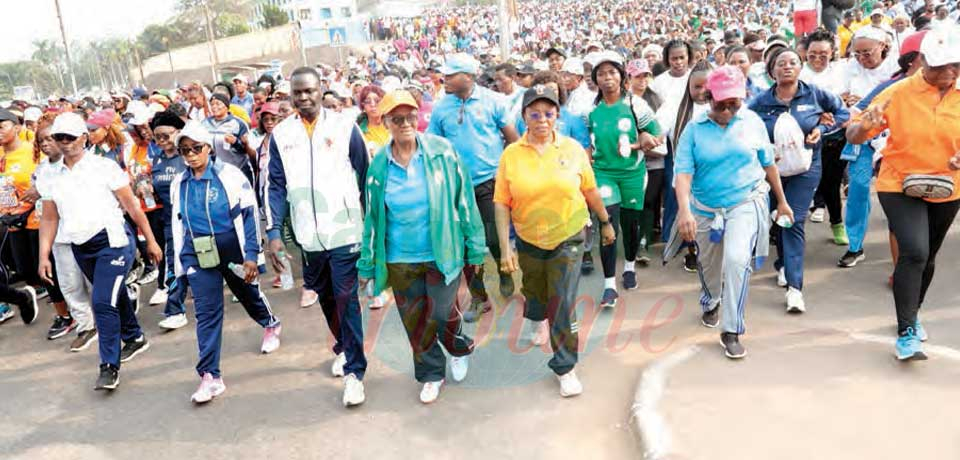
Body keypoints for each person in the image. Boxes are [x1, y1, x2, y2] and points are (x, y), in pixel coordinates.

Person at [357, 90, 484, 404]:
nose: (405, 124)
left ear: (419, 117)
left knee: (440, 314)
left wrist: (476, 245)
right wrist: (367, 262)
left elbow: (464, 199)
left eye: (410, 116)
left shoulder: (443, 152)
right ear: (385, 122)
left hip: (442, 253)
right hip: (400, 258)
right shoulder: (378, 168)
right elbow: (372, 220)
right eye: (396, 119)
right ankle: (430, 373)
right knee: (414, 320)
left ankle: (457, 349)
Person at [845, 27, 960, 361]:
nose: (950, 72)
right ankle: (907, 331)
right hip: (899, 182)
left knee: (929, 256)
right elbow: (853, 135)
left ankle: (914, 311)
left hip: (948, 186)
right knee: (914, 250)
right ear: (922, 61)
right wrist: (867, 125)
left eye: (956, 64)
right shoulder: (897, 92)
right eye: (941, 65)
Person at [495, 84, 615, 396]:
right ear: (524, 117)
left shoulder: (572, 149)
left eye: (548, 113)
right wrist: (505, 247)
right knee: (535, 290)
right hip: (528, 237)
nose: (542, 119)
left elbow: (589, 190)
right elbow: (501, 202)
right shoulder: (511, 155)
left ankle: (565, 366)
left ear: (557, 115)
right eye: (534, 113)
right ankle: (536, 319)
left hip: (569, 235)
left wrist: (605, 221)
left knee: (561, 300)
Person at [668, 65, 794, 359]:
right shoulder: (694, 130)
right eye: (720, 102)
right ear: (708, 97)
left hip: (745, 202)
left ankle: (731, 328)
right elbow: (683, 173)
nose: (727, 109)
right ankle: (711, 299)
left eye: (733, 103)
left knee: (737, 260)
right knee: (709, 264)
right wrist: (684, 212)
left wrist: (782, 200)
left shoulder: (752, 122)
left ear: (743, 97)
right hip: (704, 207)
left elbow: (768, 164)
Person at [265, 66, 369, 407]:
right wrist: (274, 231)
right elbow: (276, 185)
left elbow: (364, 172)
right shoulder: (282, 134)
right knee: (324, 295)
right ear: (290, 95)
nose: (304, 97)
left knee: (346, 297)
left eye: (309, 91)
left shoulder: (343, 125)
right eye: (297, 93)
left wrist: (370, 227)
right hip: (308, 236)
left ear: (321, 88)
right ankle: (342, 345)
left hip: (345, 229)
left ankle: (355, 373)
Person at [38, 112, 163, 391]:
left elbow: (132, 206)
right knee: (113, 295)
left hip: (114, 241)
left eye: (71, 137)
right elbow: (49, 218)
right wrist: (43, 255)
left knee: (102, 302)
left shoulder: (103, 167)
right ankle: (134, 336)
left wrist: (151, 241)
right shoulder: (50, 176)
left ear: (84, 137)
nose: (65, 142)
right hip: (81, 246)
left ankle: (109, 366)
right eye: (60, 137)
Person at [169, 122, 282, 403]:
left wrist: (251, 255)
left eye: (196, 148)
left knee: (247, 293)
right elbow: (177, 224)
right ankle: (210, 376)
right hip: (198, 254)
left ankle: (270, 323)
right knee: (207, 314)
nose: (191, 155)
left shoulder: (229, 175)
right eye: (185, 151)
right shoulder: (179, 183)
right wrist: (181, 264)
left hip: (232, 250)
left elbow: (249, 213)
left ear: (208, 148)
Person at [749, 47, 850, 312]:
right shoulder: (760, 101)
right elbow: (743, 125)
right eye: (781, 63)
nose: (787, 67)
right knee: (778, 218)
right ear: (772, 71)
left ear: (799, 67)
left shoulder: (815, 94)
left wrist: (822, 128)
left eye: (793, 62)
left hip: (807, 168)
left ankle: (795, 288)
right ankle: (782, 263)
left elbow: (843, 113)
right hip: (772, 171)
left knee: (792, 219)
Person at [426, 53, 520, 323]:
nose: (445, 79)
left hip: (490, 182)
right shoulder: (441, 108)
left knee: (492, 238)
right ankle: (480, 299)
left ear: (468, 77)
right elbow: (433, 145)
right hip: (457, 188)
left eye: (451, 74)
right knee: (468, 246)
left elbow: (512, 141)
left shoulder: (493, 101)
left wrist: (510, 176)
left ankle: (504, 270)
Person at [839, 30, 926, 270]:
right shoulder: (883, 81)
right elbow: (853, 112)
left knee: (903, 197)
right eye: (857, 53)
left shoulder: (919, 75)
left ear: (883, 46)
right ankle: (855, 245)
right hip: (865, 140)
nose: (862, 58)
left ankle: (908, 256)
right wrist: (849, 106)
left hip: (897, 144)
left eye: (867, 52)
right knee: (857, 188)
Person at [588, 51, 663, 308]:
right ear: (595, 79)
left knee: (631, 224)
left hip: (633, 173)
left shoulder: (635, 104)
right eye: (601, 74)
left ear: (621, 76)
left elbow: (656, 133)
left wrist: (644, 139)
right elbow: (587, 144)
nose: (607, 78)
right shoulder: (592, 111)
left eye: (612, 72)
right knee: (607, 221)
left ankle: (629, 267)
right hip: (603, 174)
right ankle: (609, 284)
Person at [31, 113, 98, 350]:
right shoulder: (41, 170)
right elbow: (47, 213)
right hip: (60, 238)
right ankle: (86, 326)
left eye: (54, 138)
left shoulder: (82, 164)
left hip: (87, 234)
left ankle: (113, 321)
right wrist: (44, 253)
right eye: (44, 140)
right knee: (70, 285)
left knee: (95, 284)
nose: (50, 143)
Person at [659, 61, 713, 273]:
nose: (701, 92)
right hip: (685, 170)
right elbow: (658, 127)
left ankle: (709, 252)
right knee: (689, 212)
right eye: (696, 87)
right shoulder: (675, 105)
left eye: (706, 87)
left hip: (713, 171)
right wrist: (651, 137)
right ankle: (692, 251)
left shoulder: (721, 104)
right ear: (688, 87)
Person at [146, 111, 192, 330]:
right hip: (171, 222)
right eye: (157, 137)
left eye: (166, 135)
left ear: (178, 132)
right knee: (174, 263)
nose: (162, 141)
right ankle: (175, 310)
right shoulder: (156, 159)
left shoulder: (189, 155)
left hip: (197, 219)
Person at [0, 109, 41, 328]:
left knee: (43, 268)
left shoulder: (32, 151)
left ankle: (70, 312)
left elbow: (48, 177)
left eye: (1, 126)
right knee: (24, 270)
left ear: (17, 128)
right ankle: (23, 296)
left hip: (36, 218)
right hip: (9, 220)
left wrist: (37, 192)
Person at [202, 93, 257, 186]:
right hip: (216, 170)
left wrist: (235, 142)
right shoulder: (204, 123)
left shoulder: (238, 123)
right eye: (212, 104)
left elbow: (247, 149)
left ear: (226, 106)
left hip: (238, 169)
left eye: (218, 103)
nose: (214, 107)